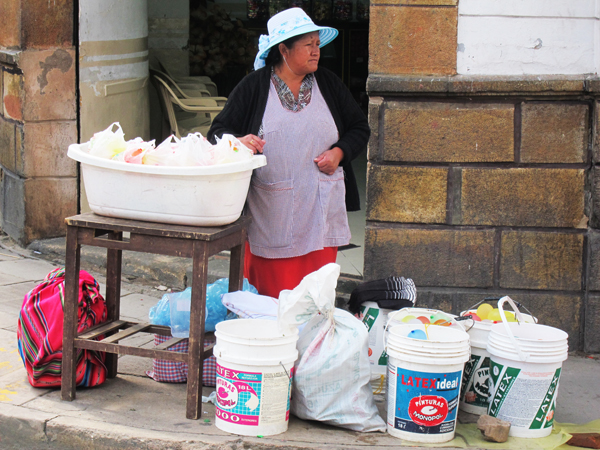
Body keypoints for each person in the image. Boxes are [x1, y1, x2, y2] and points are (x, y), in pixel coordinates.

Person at [208, 7, 370, 298]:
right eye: (308, 45)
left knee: (314, 297)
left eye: (317, 44)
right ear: (283, 49)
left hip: (320, 208)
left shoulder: (329, 84)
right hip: (272, 212)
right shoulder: (254, 87)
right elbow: (217, 133)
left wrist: (340, 153)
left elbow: (359, 128)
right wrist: (239, 142)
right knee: (272, 300)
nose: (316, 51)